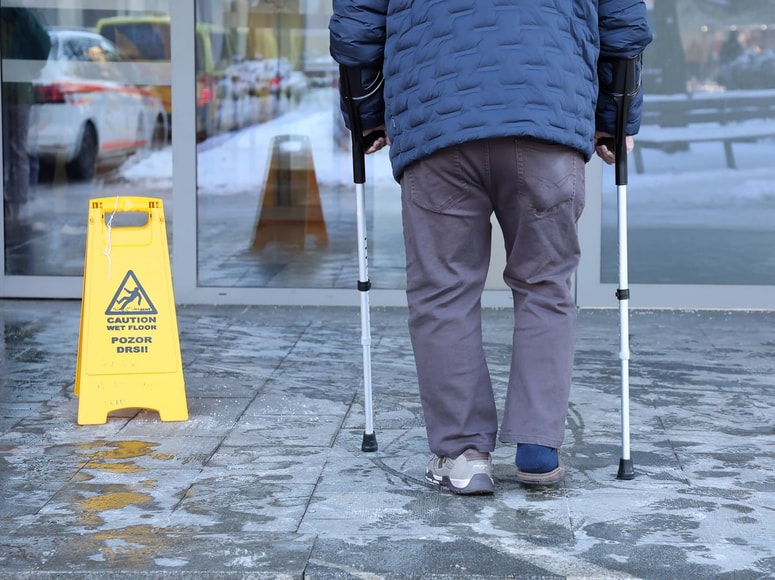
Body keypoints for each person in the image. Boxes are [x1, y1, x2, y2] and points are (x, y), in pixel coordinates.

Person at [330, 2, 652, 494]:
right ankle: (539, 448)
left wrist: (366, 113)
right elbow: (624, 21)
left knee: (443, 291)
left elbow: (356, 22)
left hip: (438, 118)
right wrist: (614, 116)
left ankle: (463, 455)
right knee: (545, 284)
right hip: (546, 112)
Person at [1, 6, 50, 223]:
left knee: (12, 150)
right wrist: (31, 69)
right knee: (17, 149)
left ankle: (15, 203)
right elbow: (43, 44)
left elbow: (42, 43)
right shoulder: (23, 17)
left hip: (13, 91)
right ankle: (17, 203)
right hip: (20, 90)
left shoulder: (19, 16)